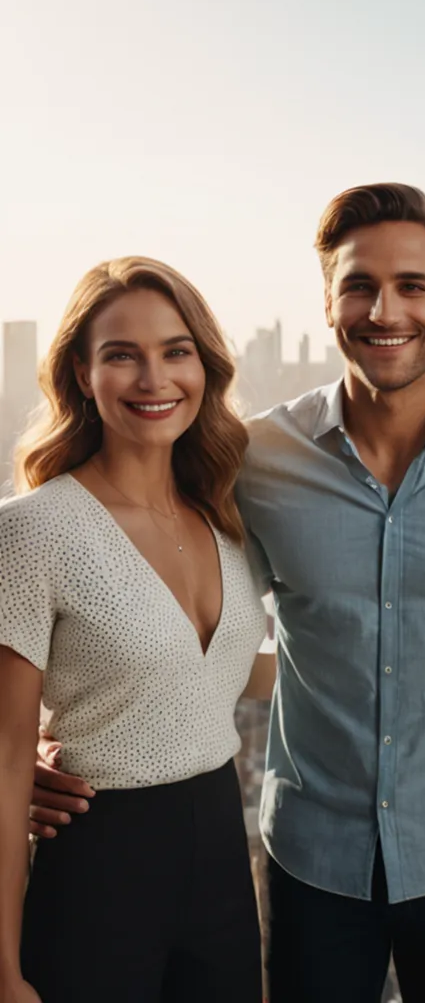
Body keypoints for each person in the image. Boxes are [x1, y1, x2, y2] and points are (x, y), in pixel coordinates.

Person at [30, 185, 425, 1003]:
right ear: (328, 302)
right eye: (359, 286)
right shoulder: (256, 461)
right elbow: (147, 598)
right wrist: (30, 748)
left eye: (413, 285)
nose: (385, 310)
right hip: (313, 863)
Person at [0, 259, 268, 1003]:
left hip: (222, 856)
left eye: (175, 351)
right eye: (122, 355)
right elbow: (6, 758)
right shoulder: (33, 533)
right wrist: (2, 971)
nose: (154, 378)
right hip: (97, 862)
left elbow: (209, 675)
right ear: (83, 375)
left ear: (204, 366)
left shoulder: (228, 514)